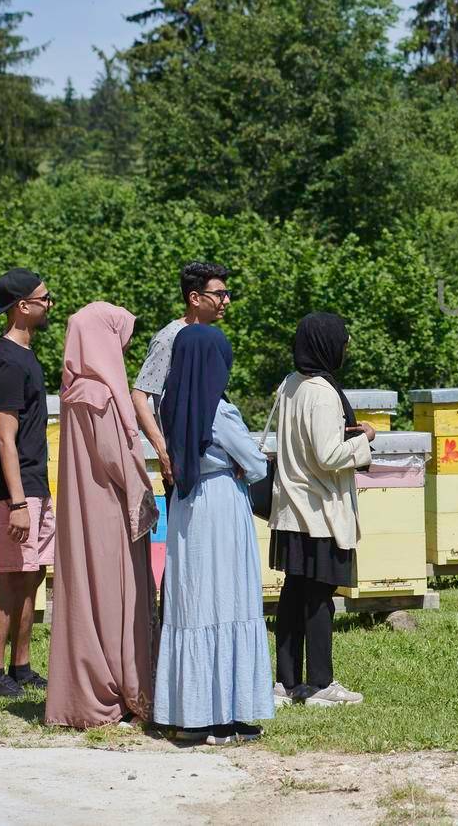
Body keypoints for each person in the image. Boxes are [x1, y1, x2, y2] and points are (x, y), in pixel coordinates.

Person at [153, 324, 273, 745]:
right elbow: (257, 466)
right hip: (222, 503)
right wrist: (244, 463)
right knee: (228, 599)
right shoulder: (220, 410)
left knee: (193, 601)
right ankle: (227, 715)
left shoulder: (169, 404)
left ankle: (194, 714)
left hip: (186, 506)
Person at [44, 302, 159, 728]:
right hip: (111, 512)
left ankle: (82, 693)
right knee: (117, 598)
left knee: (84, 599)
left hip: (80, 512)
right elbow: (116, 459)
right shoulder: (102, 395)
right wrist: (144, 492)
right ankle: (126, 689)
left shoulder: (74, 389)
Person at [270, 312, 373, 707]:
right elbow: (329, 455)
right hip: (320, 512)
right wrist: (365, 438)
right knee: (318, 598)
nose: (345, 347)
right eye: (343, 341)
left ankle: (286, 682)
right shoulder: (324, 393)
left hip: (290, 509)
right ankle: (321, 685)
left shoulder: (290, 385)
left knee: (294, 595)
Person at [0, 267, 57, 697]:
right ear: (23, 307)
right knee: (10, 574)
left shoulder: (26, 355)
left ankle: (21, 666)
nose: (51, 305)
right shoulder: (6, 361)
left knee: (33, 572)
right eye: (46, 299)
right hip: (14, 490)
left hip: (33, 485)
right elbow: (4, 439)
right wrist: (19, 503)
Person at [132, 262, 233, 491]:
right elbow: (139, 396)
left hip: (212, 461)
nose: (226, 301)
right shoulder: (169, 338)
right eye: (219, 294)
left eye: (226, 293)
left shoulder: (209, 336)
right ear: (195, 298)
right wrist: (162, 450)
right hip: (182, 463)